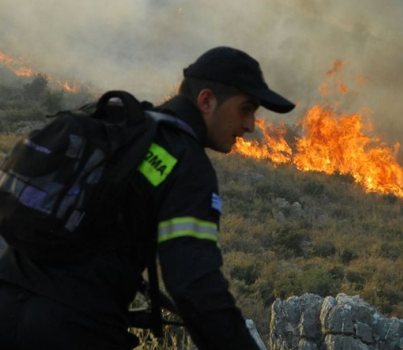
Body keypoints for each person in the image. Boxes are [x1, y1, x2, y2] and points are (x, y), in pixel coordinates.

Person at [0, 46, 295, 349]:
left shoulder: (123, 131)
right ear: (206, 100)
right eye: (245, 109)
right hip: (74, 329)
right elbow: (195, 286)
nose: (249, 125)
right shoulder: (184, 161)